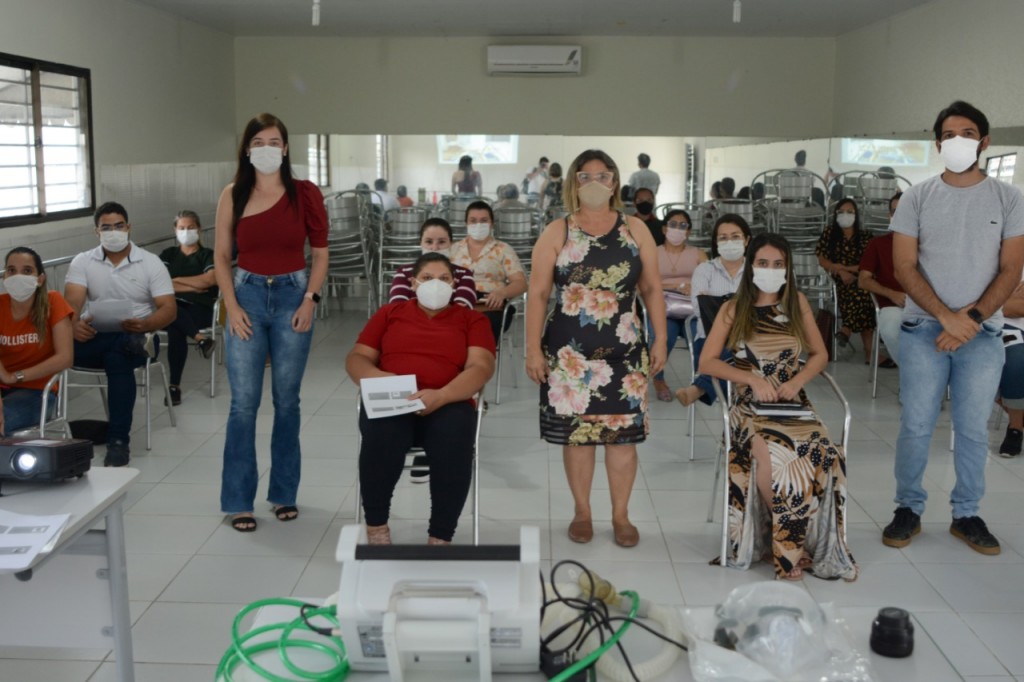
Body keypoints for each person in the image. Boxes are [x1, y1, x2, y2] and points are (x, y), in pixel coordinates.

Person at [883, 100, 1024, 555]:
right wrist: (947, 317)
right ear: (937, 143)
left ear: (985, 142)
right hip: (924, 329)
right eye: (948, 134)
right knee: (916, 424)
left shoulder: (1009, 198)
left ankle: (967, 513)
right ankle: (908, 508)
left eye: (967, 133)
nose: (957, 141)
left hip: (982, 334)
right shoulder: (917, 197)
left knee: (972, 428)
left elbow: (1011, 269)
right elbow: (904, 266)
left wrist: (972, 319)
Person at [527, 149, 667, 549]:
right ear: (573, 183)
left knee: (622, 438)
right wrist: (532, 349)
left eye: (602, 176)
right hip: (569, 355)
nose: (594, 183)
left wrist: (660, 337)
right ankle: (582, 511)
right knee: (579, 436)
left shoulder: (635, 229)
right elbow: (538, 293)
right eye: (585, 176)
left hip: (625, 351)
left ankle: (621, 515)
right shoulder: (558, 231)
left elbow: (651, 287)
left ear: (615, 182)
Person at [700, 233, 857, 581]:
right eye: (763, 263)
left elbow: (820, 355)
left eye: (778, 264)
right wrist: (751, 379)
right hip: (749, 406)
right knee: (776, 457)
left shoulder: (796, 303)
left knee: (821, 450)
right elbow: (707, 362)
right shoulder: (733, 308)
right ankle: (788, 546)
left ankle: (802, 537)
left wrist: (798, 381)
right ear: (750, 265)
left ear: (787, 269)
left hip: (792, 399)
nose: (770, 269)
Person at [214, 113, 329, 532]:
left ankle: (283, 493)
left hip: (292, 296)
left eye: (274, 141)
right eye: (258, 142)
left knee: (287, 401)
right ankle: (238, 501)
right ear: (247, 149)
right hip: (245, 295)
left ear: (285, 148)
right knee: (243, 404)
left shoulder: (305, 194)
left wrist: (310, 300)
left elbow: (321, 254)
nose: (266, 148)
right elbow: (221, 256)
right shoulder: (233, 194)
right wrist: (231, 306)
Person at [346, 253, 496, 545]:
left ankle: (440, 535)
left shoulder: (472, 319)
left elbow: (481, 367)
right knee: (382, 435)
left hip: (449, 399)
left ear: (454, 285)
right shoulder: (389, 313)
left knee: (454, 437)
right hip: (393, 397)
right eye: (427, 278)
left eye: (444, 279)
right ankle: (377, 526)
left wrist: (443, 395)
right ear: (413, 284)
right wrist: (382, 380)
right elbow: (357, 358)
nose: (435, 284)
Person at [65, 202, 176, 467]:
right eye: (106, 227)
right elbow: (71, 306)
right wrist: (74, 325)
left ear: (128, 227)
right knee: (111, 349)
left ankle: (117, 441)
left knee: (120, 354)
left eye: (118, 226)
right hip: (94, 337)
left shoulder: (150, 262)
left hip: (141, 338)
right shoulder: (83, 261)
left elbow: (169, 310)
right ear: (96, 231)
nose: (113, 232)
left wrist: (146, 324)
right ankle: (111, 438)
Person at [675, 214, 752, 407]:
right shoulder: (704, 270)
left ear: (746, 240)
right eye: (723, 238)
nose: (729, 242)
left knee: (738, 351)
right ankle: (736, 414)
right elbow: (699, 308)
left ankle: (699, 387)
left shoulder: (755, 271)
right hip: (710, 338)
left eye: (735, 236)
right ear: (716, 242)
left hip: (749, 338)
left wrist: (717, 303)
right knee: (731, 352)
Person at [0, 247, 74, 435]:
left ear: (40, 279)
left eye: (27, 271)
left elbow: (65, 358)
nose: (18, 276)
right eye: (11, 270)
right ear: (4, 277)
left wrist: (13, 376)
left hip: (38, 391)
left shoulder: (53, 302)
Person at [159, 210, 217, 406]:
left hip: (201, 309)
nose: (186, 231)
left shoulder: (207, 255)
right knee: (174, 316)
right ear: (175, 230)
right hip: (171, 307)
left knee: (175, 322)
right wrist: (194, 285)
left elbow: (209, 280)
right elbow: (158, 284)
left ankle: (174, 387)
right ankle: (201, 340)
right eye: (182, 228)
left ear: (199, 229)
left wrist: (176, 280)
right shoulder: (168, 254)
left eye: (190, 227)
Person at [649, 209, 706, 401]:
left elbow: (710, 281)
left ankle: (700, 384)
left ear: (688, 231)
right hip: (664, 309)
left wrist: (694, 287)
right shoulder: (652, 253)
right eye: (673, 224)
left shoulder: (698, 254)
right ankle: (659, 380)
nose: (677, 229)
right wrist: (673, 286)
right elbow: (643, 285)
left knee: (701, 337)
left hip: (692, 309)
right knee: (663, 338)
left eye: (683, 225)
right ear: (664, 229)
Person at [450, 201, 527, 344]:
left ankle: (480, 357)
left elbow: (520, 283)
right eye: (473, 221)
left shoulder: (503, 249)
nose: (478, 225)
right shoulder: (453, 249)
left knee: (482, 329)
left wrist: (502, 293)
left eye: (484, 220)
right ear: (466, 223)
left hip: (491, 305)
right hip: (458, 304)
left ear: (492, 224)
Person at [816, 198, 876, 363]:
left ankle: (847, 329)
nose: (845, 215)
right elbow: (822, 259)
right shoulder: (829, 233)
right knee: (863, 296)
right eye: (841, 212)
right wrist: (840, 271)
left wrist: (845, 268)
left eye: (850, 212)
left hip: (860, 276)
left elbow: (868, 264)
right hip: (837, 280)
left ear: (856, 215)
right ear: (835, 214)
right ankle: (869, 353)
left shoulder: (865, 236)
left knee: (861, 290)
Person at [857, 192, 905, 367]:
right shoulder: (878, 244)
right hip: (892, 305)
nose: (899, 216)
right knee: (891, 329)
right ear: (889, 215)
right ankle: (912, 371)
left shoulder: (927, 244)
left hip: (926, 306)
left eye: (905, 211)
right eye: (894, 211)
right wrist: (891, 294)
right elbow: (863, 280)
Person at [389, 217, 477, 310]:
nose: (434, 248)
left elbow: (462, 312)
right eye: (429, 242)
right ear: (420, 243)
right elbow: (397, 310)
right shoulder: (403, 272)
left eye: (441, 242)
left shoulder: (464, 274)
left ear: (451, 243)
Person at [998, 273, 1024, 457]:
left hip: (1010, 321)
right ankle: (1017, 424)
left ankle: (1017, 421)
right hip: (998, 326)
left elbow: (1019, 307)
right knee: (1015, 359)